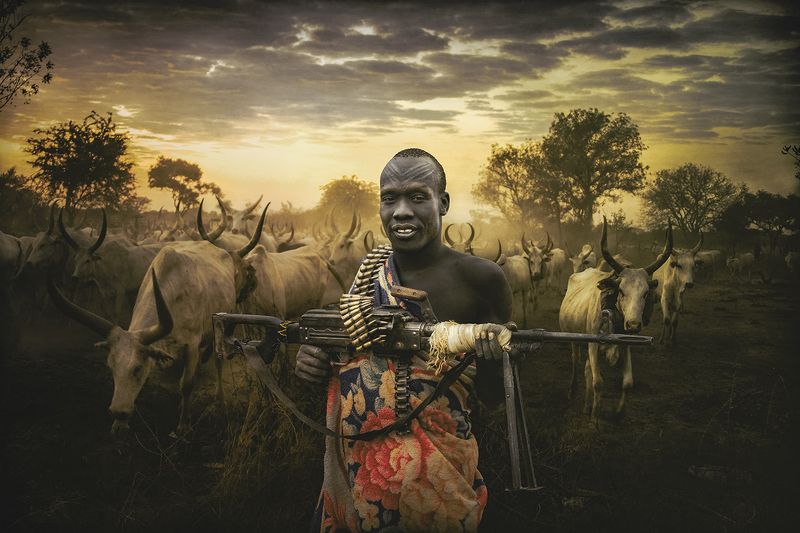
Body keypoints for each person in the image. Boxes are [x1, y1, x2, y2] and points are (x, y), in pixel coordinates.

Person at [295, 148, 513, 532]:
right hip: (360, 466)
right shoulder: (369, 276)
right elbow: (344, 356)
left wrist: (492, 358)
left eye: (417, 197)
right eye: (389, 198)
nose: (401, 211)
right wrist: (313, 361)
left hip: (441, 475)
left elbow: (494, 398)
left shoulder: (482, 279)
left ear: (442, 202)